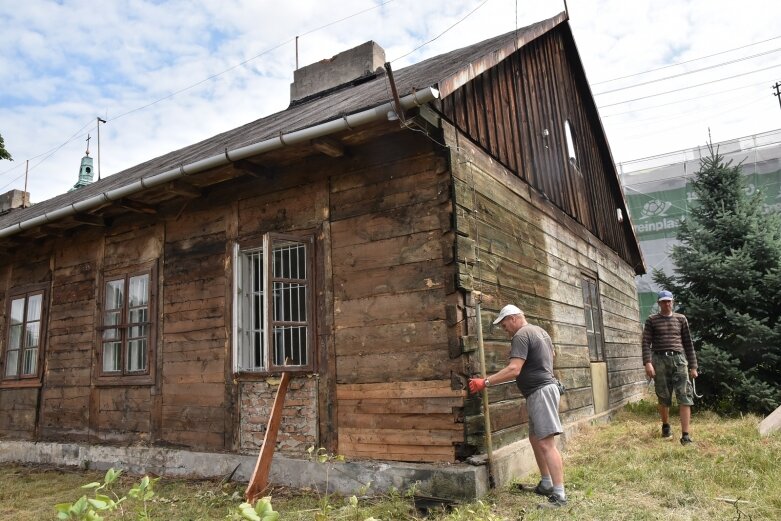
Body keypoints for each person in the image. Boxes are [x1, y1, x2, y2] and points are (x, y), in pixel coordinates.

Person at [469, 304, 567, 508]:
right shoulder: (540, 332)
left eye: (505, 325)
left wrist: (485, 382)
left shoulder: (521, 335)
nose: (505, 330)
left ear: (513, 318)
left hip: (541, 391)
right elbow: (552, 356)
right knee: (535, 438)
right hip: (538, 392)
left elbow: (514, 369)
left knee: (546, 444)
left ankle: (559, 496)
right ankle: (547, 484)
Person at [641, 290, 698, 445]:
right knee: (663, 397)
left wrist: (693, 366)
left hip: (679, 360)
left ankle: (685, 435)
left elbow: (688, 343)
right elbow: (646, 342)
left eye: (669, 301)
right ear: (659, 303)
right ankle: (666, 425)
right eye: (663, 301)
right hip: (659, 359)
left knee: (685, 396)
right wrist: (648, 363)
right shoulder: (652, 320)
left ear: (673, 302)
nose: (667, 304)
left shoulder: (681, 319)